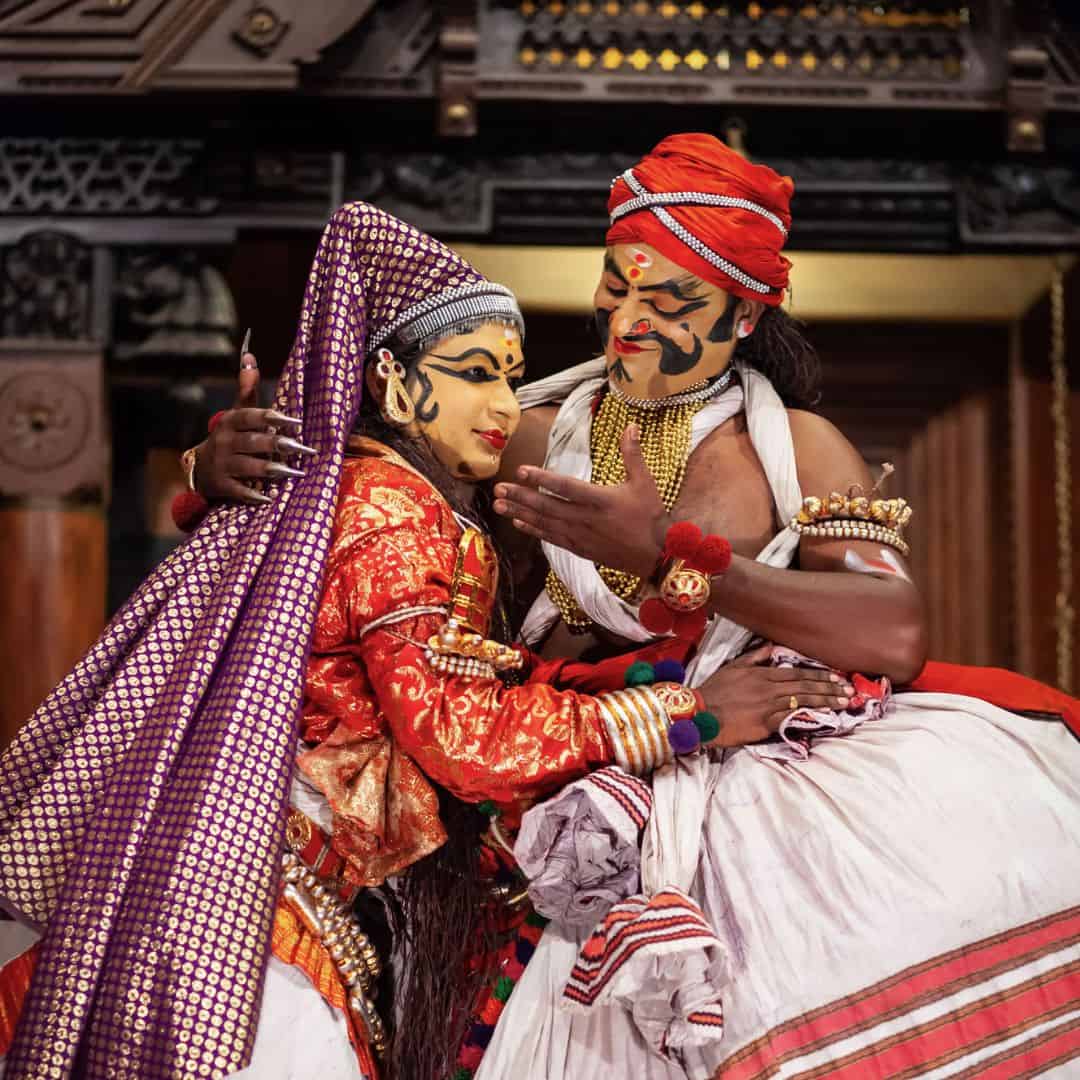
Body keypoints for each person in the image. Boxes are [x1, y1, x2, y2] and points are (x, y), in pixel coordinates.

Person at [196, 135, 1080, 1078]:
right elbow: (370, 517)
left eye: (670, 302)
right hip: (552, 781)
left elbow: (894, 635)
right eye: (616, 287)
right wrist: (222, 471)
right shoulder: (527, 424)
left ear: (743, 314)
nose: (626, 323)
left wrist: (668, 555)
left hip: (762, 793)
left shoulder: (797, 447)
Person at [0, 200, 838, 1080]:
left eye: (511, 378)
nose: (502, 407)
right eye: (475, 374)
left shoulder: (385, 490)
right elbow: (459, 737)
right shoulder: (395, 512)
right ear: (396, 388)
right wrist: (690, 714)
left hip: (274, 891)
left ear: (743, 317)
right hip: (263, 919)